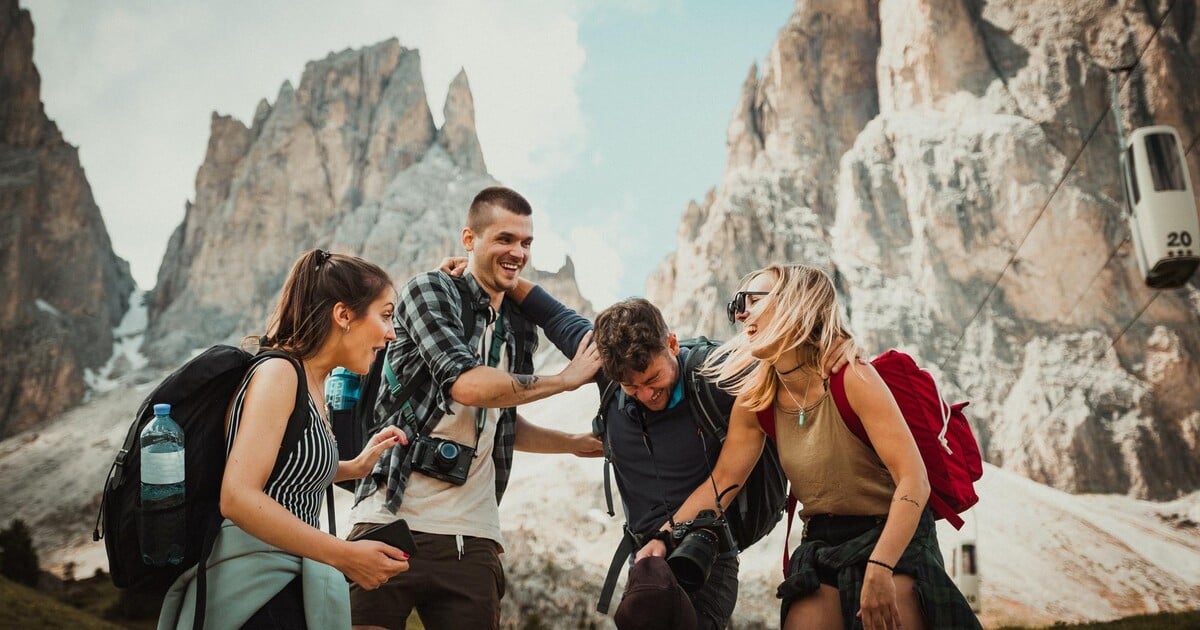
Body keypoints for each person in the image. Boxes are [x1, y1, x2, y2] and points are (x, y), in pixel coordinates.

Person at [670, 262, 979, 630]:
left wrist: (881, 567)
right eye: (738, 303)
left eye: (754, 300)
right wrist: (660, 536)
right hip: (820, 542)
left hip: (893, 533)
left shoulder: (853, 377)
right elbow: (722, 483)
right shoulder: (757, 401)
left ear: (795, 303)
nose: (741, 313)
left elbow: (915, 481)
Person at [348, 186, 604, 630]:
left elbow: (501, 414)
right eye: (505, 239)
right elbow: (467, 385)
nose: (518, 251)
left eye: (526, 242)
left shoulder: (520, 327)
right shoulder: (430, 291)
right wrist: (565, 381)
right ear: (469, 239)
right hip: (390, 520)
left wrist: (572, 443)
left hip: (475, 537)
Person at [159, 248, 413, 629]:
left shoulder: (311, 382)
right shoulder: (280, 373)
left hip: (283, 583)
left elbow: (283, 471)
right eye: (386, 315)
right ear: (343, 315)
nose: (392, 333)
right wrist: (345, 555)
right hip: (253, 592)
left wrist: (351, 467)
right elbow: (238, 496)